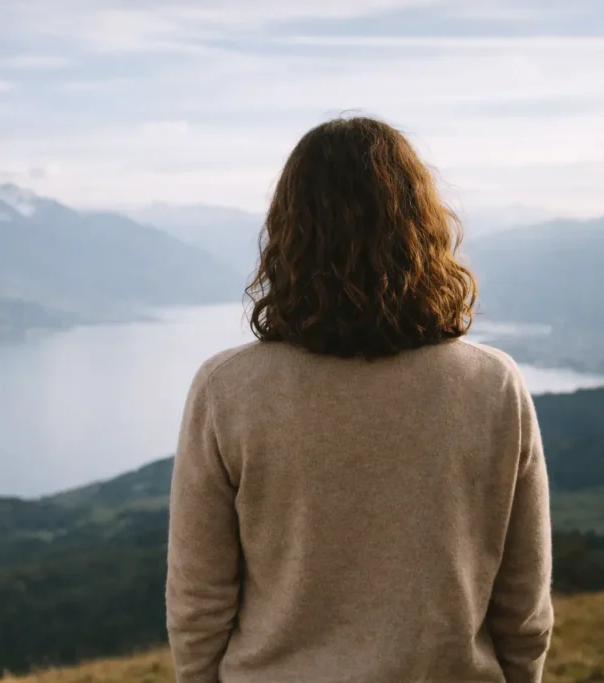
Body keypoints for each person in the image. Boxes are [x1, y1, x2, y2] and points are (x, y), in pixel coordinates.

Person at [165, 116, 554, 683]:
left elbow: (198, 601)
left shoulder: (228, 390)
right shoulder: (492, 384)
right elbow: (524, 603)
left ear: (288, 234)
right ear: (423, 228)